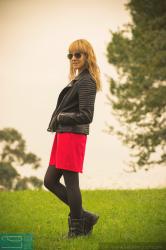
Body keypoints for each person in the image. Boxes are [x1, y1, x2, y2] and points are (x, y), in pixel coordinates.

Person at [44, 39, 102, 238]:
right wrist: (60, 122)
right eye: (70, 55)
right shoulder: (78, 79)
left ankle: (77, 230)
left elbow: (87, 115)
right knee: (50, 180)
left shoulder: (87, 81)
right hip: (63, 134)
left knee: (71, 183)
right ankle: (85, 217)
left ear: (88, 56)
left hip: (72, 135)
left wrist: (62, 117)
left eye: (78, 54)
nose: (74, 58)